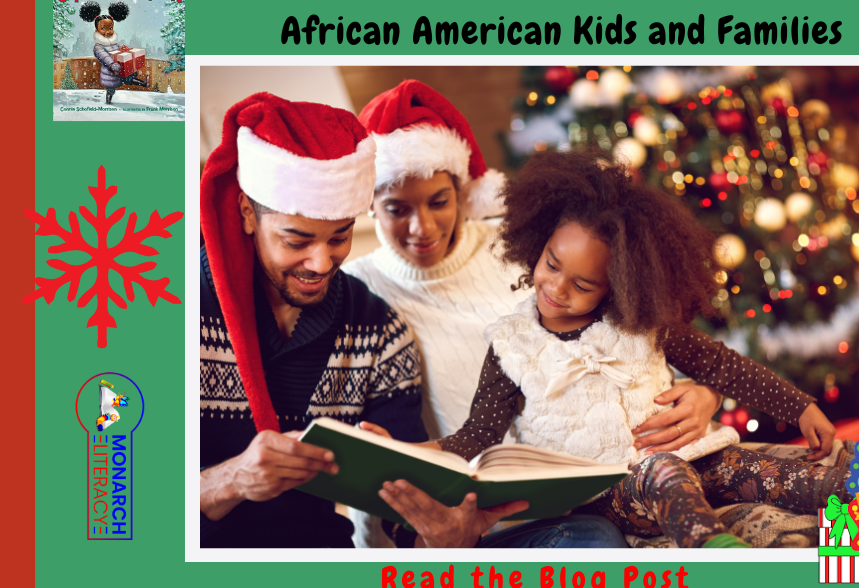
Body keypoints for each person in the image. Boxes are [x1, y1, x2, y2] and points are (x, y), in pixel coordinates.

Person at [198, 92, 621, 549]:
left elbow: (405, 498)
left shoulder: (375, 326)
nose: (321, 262)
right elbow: (111, 494)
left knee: (591, 537)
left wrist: (436, 537)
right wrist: (226, 482)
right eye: (296, 240)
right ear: (247, 213)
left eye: (339, 237)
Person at [369, 152, 844, 548]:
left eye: (582, 284)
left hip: (693, 457)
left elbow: (721, 366)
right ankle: (715, 552)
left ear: (617, 286)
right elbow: (476, 436)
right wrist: (405, 451)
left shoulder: (640, 323)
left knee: (765, 470)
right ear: (538, 244)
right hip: (608, 494)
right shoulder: (511, 345)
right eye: (551, 264)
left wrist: (800, 406)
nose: (555, 289)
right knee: (661, 471)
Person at [343, 80, 723, 547]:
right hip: (493, 514)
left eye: (439, 201)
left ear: (461, 190)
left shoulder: (527, 245)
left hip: (614, 468)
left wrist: (702, 392)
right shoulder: (358, 291)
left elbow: (625, 331)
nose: (422, 227)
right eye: (396, 208)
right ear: (369, 204)